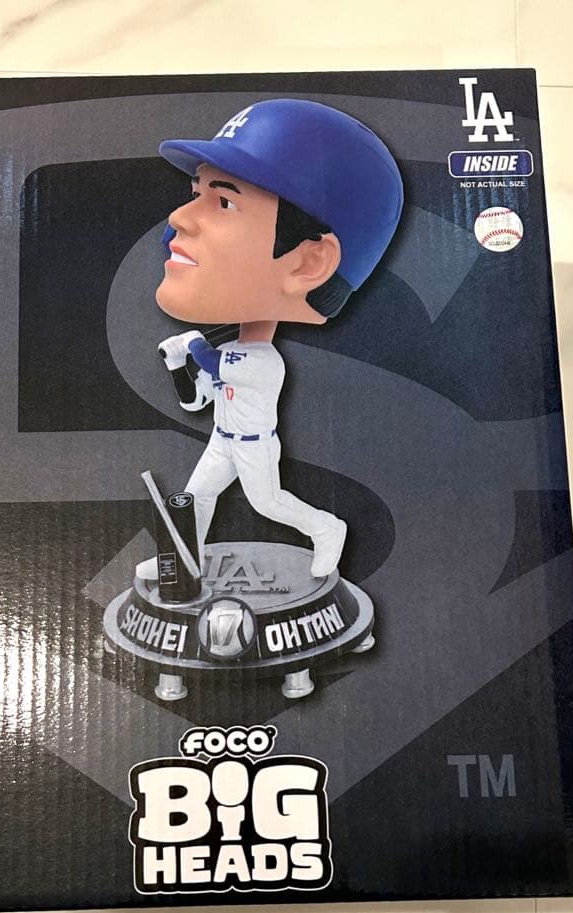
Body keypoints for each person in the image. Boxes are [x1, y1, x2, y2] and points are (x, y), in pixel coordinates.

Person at [140, 98, 403, 580]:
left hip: (254, 446)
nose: (179, 217)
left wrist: (192, 346)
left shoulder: (263, 362)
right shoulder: (234, 349)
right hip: (224, 440)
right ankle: (183, 560)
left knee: (269, 503)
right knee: (197, 497)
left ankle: (328, 529)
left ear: (309, 262)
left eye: (223, 202)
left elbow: (212, 363)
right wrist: (178, 364)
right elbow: (196, 400)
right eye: (195, 193)